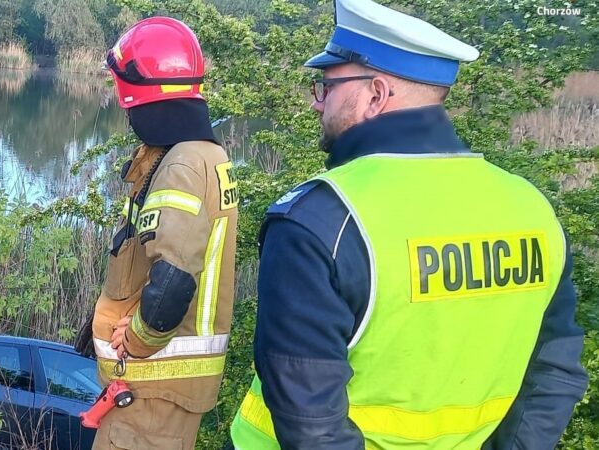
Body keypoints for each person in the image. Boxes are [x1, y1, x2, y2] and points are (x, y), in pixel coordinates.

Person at [230, 0, 588, 448]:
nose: (316, 103)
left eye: (327, 86)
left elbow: (309, 419)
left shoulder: (323, 217)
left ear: (375, 94)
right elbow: (554, 371)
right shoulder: (530, 206)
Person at [74, 17, 238, 450]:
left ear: (137, 93)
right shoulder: (203, 153)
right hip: (164, 395)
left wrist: (137, 339)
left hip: (152, 390)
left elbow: (173, 281)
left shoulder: (181, 166)